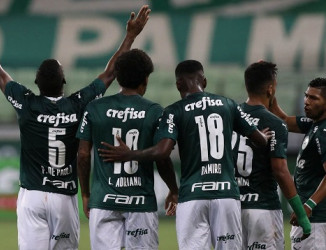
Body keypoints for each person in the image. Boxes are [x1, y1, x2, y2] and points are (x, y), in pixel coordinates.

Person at [0, 6, 150, 250]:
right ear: (64, 82)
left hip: (32, 195)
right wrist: (130, 36)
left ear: (36, 83)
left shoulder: (26, 103)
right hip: (64, 197)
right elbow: (110, 74)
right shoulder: (78, 105)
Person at [99, 59, 271, 250]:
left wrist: (130, 154)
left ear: (178, 84)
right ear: (204, 81)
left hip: (193, 196)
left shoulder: (173, 111)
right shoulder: (228, 104)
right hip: (226, 195)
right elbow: (260, 141)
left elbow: (162, 151)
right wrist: (263, 135)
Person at [76, 48, 178, 250]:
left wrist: (86, 194)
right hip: (140, 202)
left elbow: (83, 154)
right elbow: (162, 157)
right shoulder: (154, 111)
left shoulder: (95, 108)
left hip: (104, 201)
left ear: (118, 78)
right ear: (145, 80)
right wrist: (173, 190)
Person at [231, 61, 310, 249]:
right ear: (270, 88)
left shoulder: (231, 116)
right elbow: (280, 171)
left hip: (233, 209)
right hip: (263, 208)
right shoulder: (274, 123)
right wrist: (301, 213)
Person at [270, 77, 326, 250]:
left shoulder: (324, 132)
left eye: (314, 98)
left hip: (316, 220)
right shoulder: (313, 124)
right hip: (308, 217)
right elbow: (282, 119)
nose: (307, 102)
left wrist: (309, 206)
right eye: (306, 96)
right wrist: (269, 86)